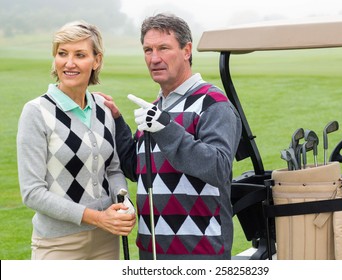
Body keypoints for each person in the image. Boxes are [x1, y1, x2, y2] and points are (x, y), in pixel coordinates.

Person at [103, 13, 242, 260]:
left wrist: (165, 127)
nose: (154, 58)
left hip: (200, 252)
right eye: (148, 50)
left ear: (187, 50)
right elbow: (138, 169)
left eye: (164, 48)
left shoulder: (213, 103)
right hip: (153, 250)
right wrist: (116, 121)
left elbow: (218, 168)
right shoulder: (156, 106)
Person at [16, 20, 136, 260]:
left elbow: (112, 170)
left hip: (106, 239)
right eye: (62, 54)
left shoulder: (103, 108)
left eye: (80, 55)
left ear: (97, 60)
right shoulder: (36, 111)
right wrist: (99, 217)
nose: (69, 63)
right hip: (57, 244)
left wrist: (124, 201)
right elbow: (32, 192)